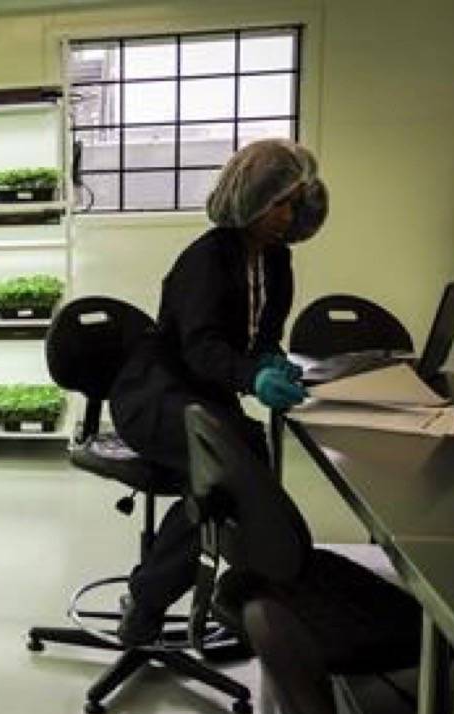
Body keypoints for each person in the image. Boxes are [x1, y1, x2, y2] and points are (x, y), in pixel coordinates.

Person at [108, 138, 329, 645]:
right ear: (249, 198)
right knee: (227, 478)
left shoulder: (277, 261)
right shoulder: (206, 259)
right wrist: (252, 378)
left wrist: (270, 358)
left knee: (241, 463)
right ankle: (147, 602)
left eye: (295, 204)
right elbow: (200, 347)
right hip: (155, 394)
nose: (287, 215)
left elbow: (265, 331)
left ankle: (251, 591)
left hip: (203, 396)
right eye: (280, 203)